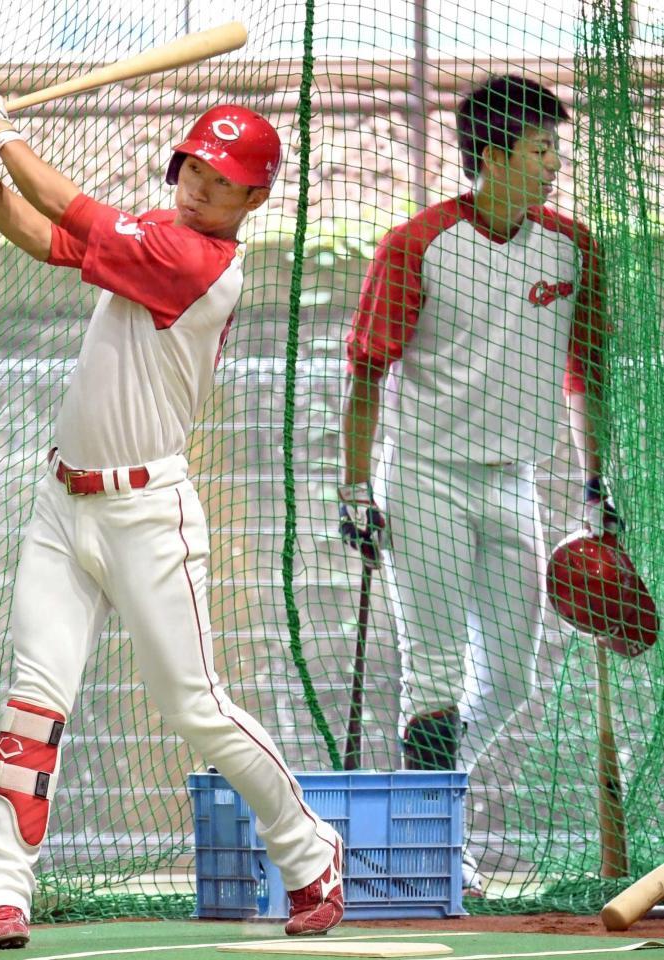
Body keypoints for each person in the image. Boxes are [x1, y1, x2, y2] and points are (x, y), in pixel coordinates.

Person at [0, 98, 344, 948]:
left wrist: (2, 133)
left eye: (223, 184)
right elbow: (44, 238)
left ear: (249, 203)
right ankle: (3, 893)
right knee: (32, 704)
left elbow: (65, 206)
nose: (200, 191)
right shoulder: (155, 230)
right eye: (194, 169)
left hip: (149, 514)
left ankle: (308, 853)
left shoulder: (195, 259)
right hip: (61, 503)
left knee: (195, 708)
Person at [337, 74, 620, 895]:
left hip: (516, 480)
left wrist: (593, 482)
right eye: (539, 150)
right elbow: (366, 375)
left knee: (512, 680)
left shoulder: (574, 247)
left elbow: (584, 377)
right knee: (429, 666)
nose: (552, 164)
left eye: (554, 150)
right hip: (423, 477)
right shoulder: (416, 243)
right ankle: (434, 848)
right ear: (491, 157)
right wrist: (356, 490)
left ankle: (422, 796)